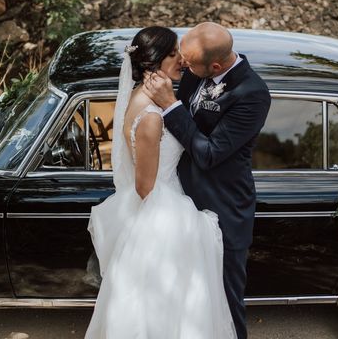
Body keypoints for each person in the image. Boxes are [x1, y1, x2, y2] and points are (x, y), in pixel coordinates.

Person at [85, 26, 236, 339]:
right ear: (153, 63)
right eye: (172, 54)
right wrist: (186, 219)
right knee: (170, 308)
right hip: (161, 217)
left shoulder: (141, 98)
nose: (180, 59)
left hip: (159, 207)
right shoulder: (151, 116)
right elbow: (145, 187)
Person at [143, 22, 271, 339]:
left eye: (189, 62)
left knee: (225, 301)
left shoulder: (252, 93)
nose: (183, 65)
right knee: (187, 299)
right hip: (179, 201)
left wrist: (169, 105)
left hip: (223, 207)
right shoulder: (195, 69)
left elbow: (210, 153)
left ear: (215, 66)